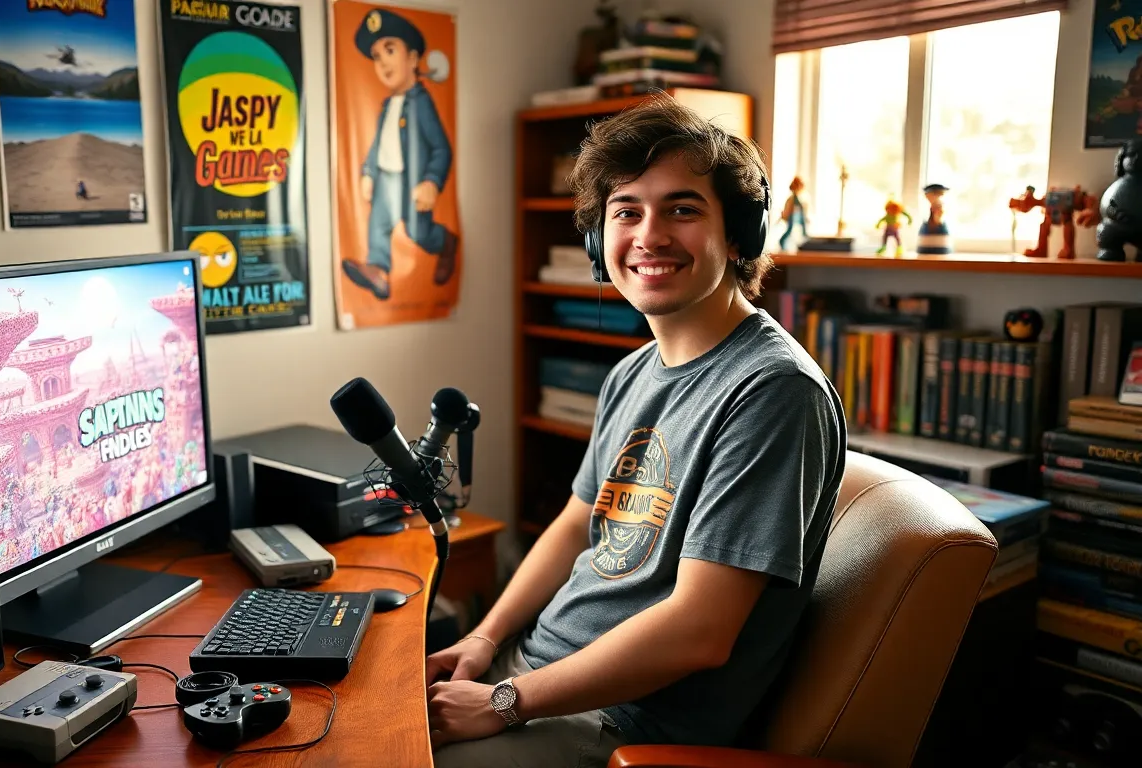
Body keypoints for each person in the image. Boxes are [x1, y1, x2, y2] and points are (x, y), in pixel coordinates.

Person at [425, 92, 847, 768]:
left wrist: (506, 700)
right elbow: (574, 522)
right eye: (627, 212)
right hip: (536, 674)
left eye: (682, 209)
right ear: (599, 244)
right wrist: (484, 639)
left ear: (739, 234)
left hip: (626, 724)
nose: (649, 236)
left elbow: (699, 632)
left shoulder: (774, 392)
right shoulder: (633, 372)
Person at [341, 7, 459, 301]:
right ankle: (378, 273)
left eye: (389, 50)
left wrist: (431, 181)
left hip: (412, 180)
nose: (382, 63)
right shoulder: (386, 105)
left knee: (418, 231)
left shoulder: (420, 103)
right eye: (377, 56)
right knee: (378, 225)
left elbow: (441, 147)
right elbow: (377, 145)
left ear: (413, 58)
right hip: (386, 177)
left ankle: (445, 242)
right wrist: (368, 172)